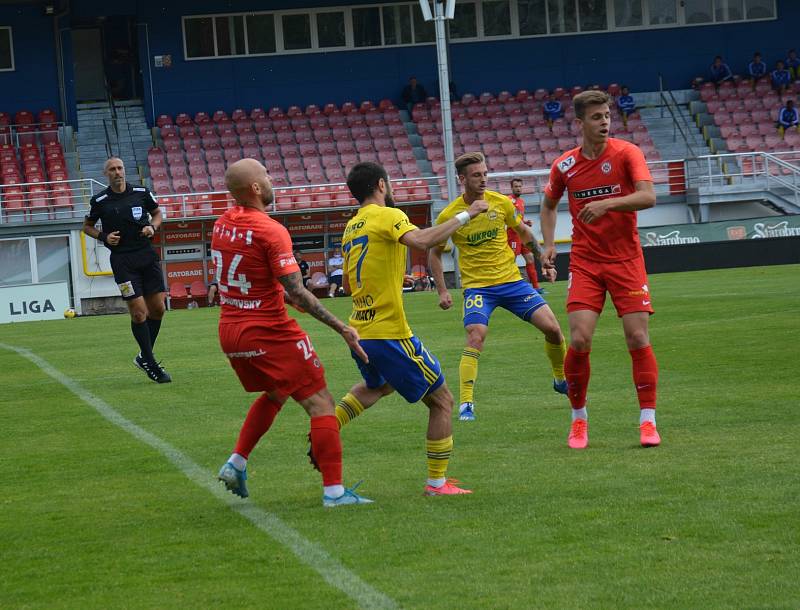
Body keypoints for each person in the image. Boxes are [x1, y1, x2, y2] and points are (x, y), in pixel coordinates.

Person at [213, 158, 372, 508]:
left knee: (276, 393)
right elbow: (298, 292)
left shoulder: (221, 224)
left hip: (231, 330)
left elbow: (259, 277)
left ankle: (236, 462)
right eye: (266, 176)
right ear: (255, 188)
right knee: (321, 403)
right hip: (267, 329)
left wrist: (286, 295)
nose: (272, 180)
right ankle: (334, 493)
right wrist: (342, 327)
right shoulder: (271, 230)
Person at [329, 161, 488, 496]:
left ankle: (324, 428)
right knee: (442, 400)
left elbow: (346, 282)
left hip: (361, 329)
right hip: (389, 332)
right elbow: (420, 241)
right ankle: (437, 484)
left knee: (379, 387)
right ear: (381, 185)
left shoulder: (351, 227)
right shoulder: (387, 215)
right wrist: (466, 215)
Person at [540, 90, 661, 450]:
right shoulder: (564, 165)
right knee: (578, 339)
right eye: (596, 117)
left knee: (637, 337)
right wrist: (548, 244)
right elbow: (548, 205)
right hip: (586, 262)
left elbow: (648, 196)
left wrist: (608, 204)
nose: (605, 121)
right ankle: (578, 420)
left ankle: (648, 422)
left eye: (607, 115)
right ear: (579, 123)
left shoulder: (627, 153)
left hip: (626, 259)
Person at [429, 152, 568, 423]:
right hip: (478, 288)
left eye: (484, 174)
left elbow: (524, 233)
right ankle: (466, 403)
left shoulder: (501, 203)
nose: (483, 180)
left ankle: (561, 379)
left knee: (553, 328)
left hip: (512, 282)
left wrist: (543, 260)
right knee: (475, 336)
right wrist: (443, 290)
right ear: (462, 179)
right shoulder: (450, 215)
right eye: (476, 175)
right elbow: (434, 253)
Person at [82, 157, 170, 384]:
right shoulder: (99, 200)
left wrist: (153, 226)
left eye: (120, 168)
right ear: (106, 174)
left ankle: (143, 357)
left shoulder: (142, 192)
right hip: (122, 261)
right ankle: (150, 363)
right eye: (112, 169)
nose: (117, 172)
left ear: (124, 170)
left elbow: (158, 213)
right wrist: (104, 236)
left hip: (147, 256)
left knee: (158, 309)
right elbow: (87, 227)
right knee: (139, 312)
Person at [506, 178, 541, 293]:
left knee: (530, 258)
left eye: (520, 186)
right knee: (512, 260)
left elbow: (518, 219)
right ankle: (509, 286)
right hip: (513, 235)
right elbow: (508, 219)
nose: (518, 188)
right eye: (516, 186)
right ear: (512, 188)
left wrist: (525, 222)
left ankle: (536, 287)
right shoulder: (508, 201)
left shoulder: (521, 201)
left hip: (522, 234)